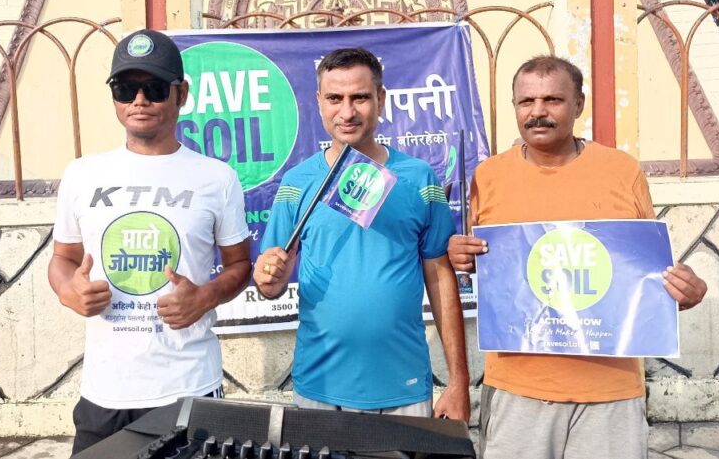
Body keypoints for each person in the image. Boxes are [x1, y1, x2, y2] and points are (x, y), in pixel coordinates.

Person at [447, 55, 707, 459]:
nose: (538, 112)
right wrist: (460, 256)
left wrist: (685, 290)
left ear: (579, 104)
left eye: (552, 100)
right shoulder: (488, 177)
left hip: (610, 391)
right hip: (518, 389)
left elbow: (645, 269)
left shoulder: (622, 171)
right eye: (526, 101)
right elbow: (481, 263)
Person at [48, 29, 252, 455]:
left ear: (182, 94)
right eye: (125, 89)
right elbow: (63, 258)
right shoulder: (82, 174)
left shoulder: (216, 178)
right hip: (104, 392)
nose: (139, 101)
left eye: (154, 88)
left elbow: (240, 265)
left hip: (189, 387)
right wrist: (69, 290)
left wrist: (205, 297)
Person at [253, 47, 470, 420]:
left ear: (381, 100)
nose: (347, 111)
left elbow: (440, 278)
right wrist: (267, 279)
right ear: (319, 102)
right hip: (319, 388)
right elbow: (271, 283)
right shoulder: (296, 183)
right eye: (335, 98)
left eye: (360, 97)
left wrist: (459, 382)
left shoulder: (419, 179)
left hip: (403, 387)